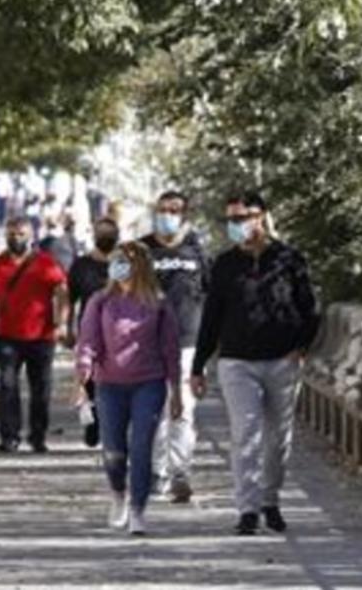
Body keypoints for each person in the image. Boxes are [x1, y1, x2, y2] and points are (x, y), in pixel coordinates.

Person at [191, 192, 320, 536]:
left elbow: (310, 307)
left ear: (260, 217)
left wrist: (302, 346)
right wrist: (198, 366)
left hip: (281, 362)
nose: (235, 225)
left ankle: (270, 500)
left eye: (241, 218)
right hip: (237, 363)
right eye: (230, 219)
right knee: (245, 434)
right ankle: (247, 509)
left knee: (278, 439)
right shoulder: (224, 264)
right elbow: (211, 317)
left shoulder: (288, 259)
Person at [75, 241, 183, 536]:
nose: (119, 266)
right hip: (109, 385)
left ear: (140, 266)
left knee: (141, 447)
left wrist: (176, 390)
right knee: (113, 450)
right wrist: (82, 376)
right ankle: (118, 494)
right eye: (116, 260)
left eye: (126, 260)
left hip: (149, 383)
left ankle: (137, 509)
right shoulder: (101, 301)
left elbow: (170, 349)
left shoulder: (158, 303)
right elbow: (88, 341)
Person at [0, 216, 69, 453]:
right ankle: (9, 437)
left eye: (21, 234)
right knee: (7, 387)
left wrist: (61, 323)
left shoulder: (46, 263)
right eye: (11, 234)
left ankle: (38, 437)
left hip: (42, 337)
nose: (16, 238)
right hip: (7, 336)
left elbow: (62, 293)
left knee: (41, 390)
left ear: (31, 237)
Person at [140, 190, 210, 504]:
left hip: (187, 343)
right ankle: (157, 472)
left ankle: (180, 472)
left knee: (184, 410)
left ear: (184, 216)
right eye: (162, 209)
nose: (167, 215)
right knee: (156, 412)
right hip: (148, 343)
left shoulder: (198, 252)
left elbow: (211, 296)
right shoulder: (141, 250)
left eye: (174, 210)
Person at [66, 217, 121, 446]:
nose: (105, 237)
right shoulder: (81, 265)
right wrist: (67, 327)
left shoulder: (124, 264)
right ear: (94, 236)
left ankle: (114, 421)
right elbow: (70, 300)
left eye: (109, 234)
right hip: (89, 331)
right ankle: (94, 422)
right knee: (88, 377)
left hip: (120, 332)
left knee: (116, 377)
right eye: (101, 233)